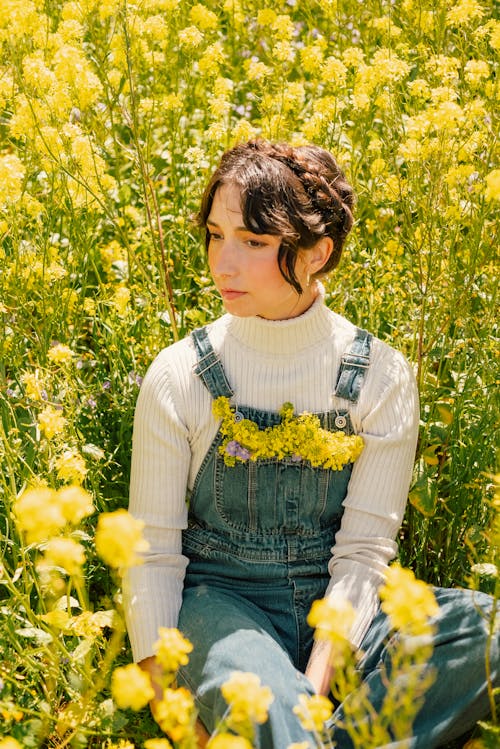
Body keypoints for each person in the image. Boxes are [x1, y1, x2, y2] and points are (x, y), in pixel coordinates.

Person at [123, 139, 498, 748]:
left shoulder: (378, 374)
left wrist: (317, 683)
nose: (223, 263)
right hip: (223, 604)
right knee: (277, 709)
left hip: (346, 606)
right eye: (216, 235)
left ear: (318, 252)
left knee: (481, 634)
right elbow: (153, 558)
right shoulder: (181, 374)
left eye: (253, 241)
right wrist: (179, 719)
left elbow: (362, 555)